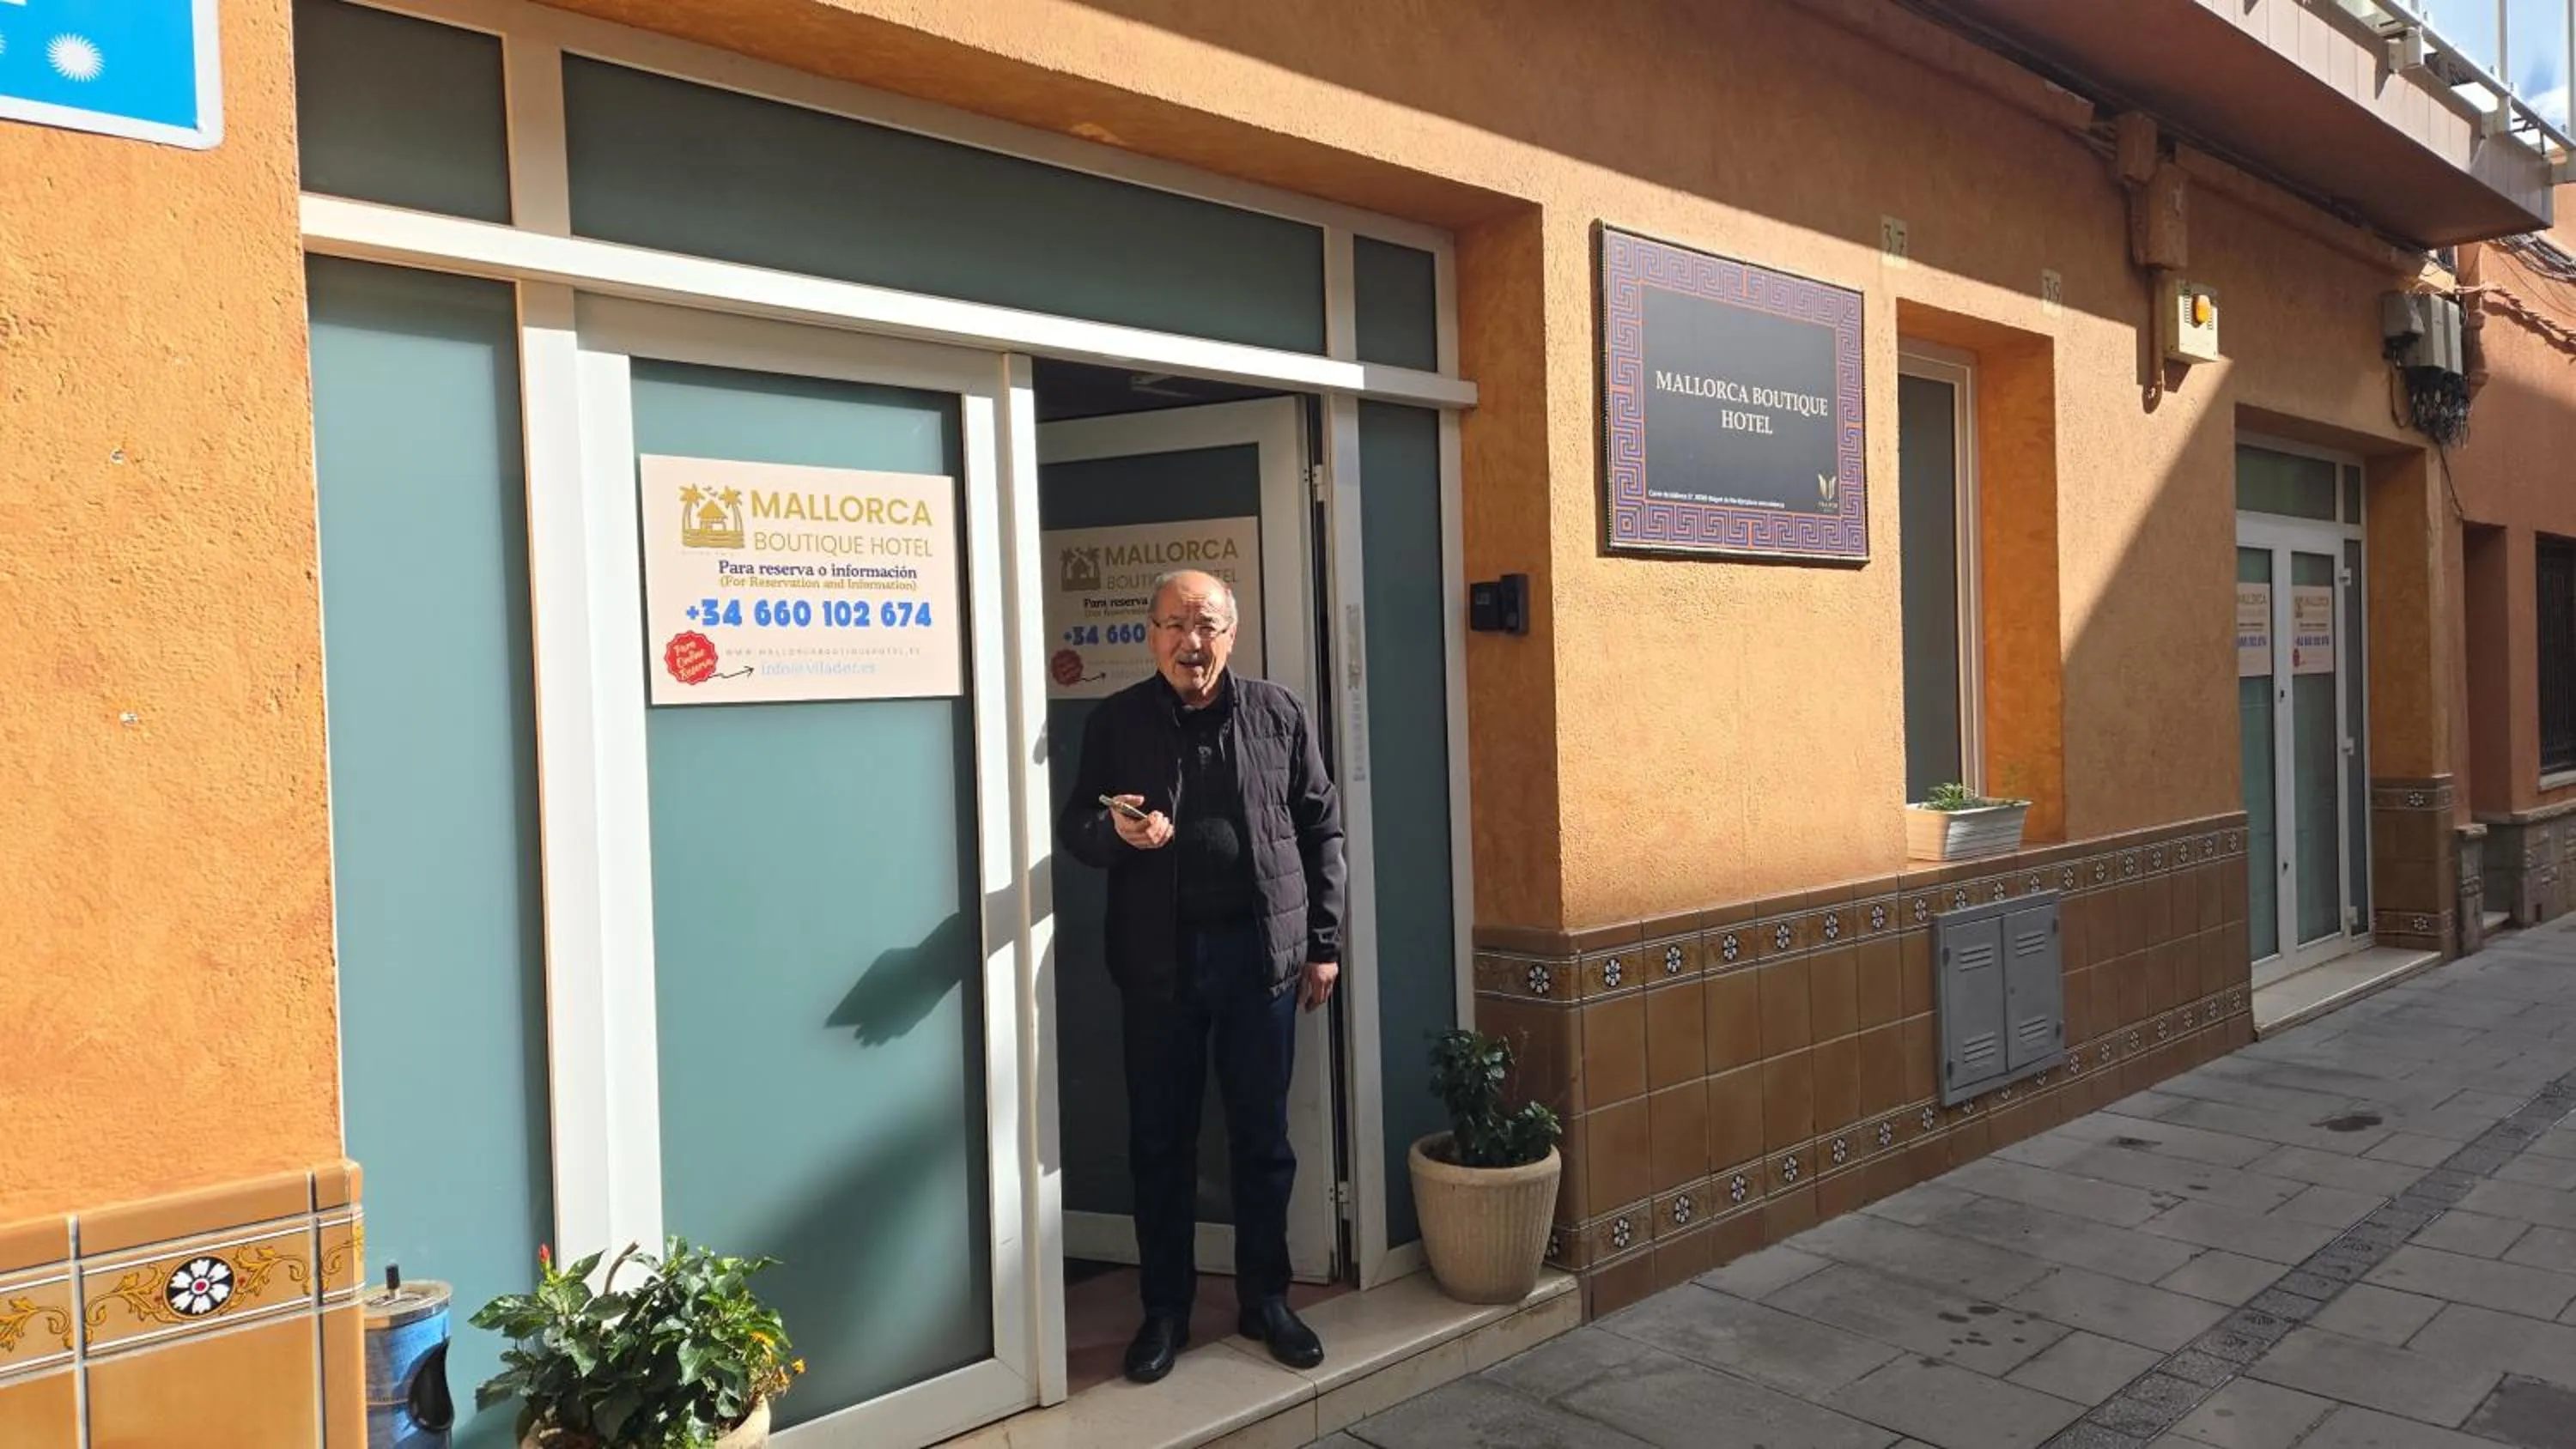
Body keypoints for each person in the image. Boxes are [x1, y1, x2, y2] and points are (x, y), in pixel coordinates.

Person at [1056, 568, 1346, 1384]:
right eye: (1176, 625)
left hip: (1260, 963)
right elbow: (1078, 825)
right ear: (1150, 635)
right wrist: (1117, 836)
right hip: (1159, 967)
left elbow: (1322, 830)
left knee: (1263, 1142)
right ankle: (1165, 1311)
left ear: (1234, 631)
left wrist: (1323, 943)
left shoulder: (1278, 713)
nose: (1193, 642)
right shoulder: (1117, 722)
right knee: (1160, 1144)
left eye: (1208, 625)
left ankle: (1266, 1300)